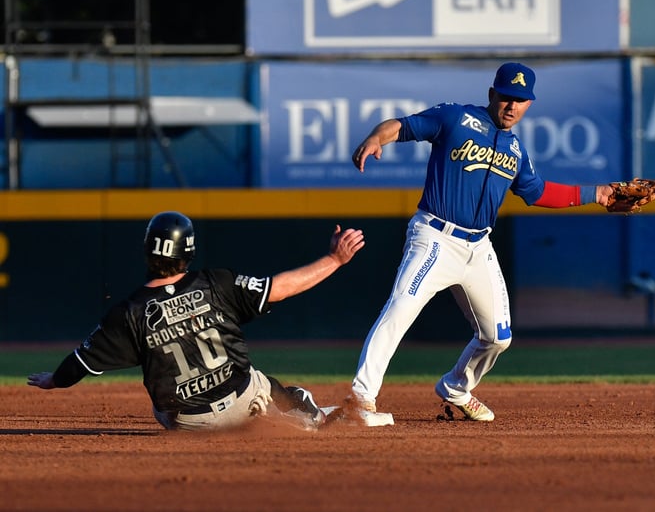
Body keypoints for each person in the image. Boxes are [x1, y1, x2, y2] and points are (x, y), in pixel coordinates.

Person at [347, 62, 616, 423]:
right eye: (506, 97)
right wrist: (376, 138)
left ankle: (456, 386)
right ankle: (361, 397)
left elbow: (536, 192)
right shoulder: (455, 118)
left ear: (529, 104)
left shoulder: (516, 150)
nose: (512, 106)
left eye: (520, 100)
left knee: (497, 337)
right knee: (400, 311)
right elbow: (403, 125)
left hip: (478, 248)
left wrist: (597, 193)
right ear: (492, 94)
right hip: (435, 239)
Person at [28, 211, 365, 432]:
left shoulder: (127, 312)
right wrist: (335, 259)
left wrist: (52, 381)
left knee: (161, 407)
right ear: (188, 252)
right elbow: (281, 288)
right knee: (266, 384)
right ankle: (310, 415)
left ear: (148, 251)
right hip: (246, 401)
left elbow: (79, 365)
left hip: (190, 423)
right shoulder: (216, 282)